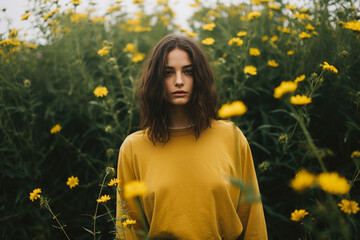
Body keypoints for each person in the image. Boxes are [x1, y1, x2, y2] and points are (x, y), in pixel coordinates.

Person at [116, 34, 268, 240]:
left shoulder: (230, 136)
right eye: (168, 73)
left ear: (200, 77)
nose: (179, 81)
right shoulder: (134, 147)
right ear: (155, 80)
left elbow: (253, 220)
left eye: (188, 72)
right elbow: (128, 229)